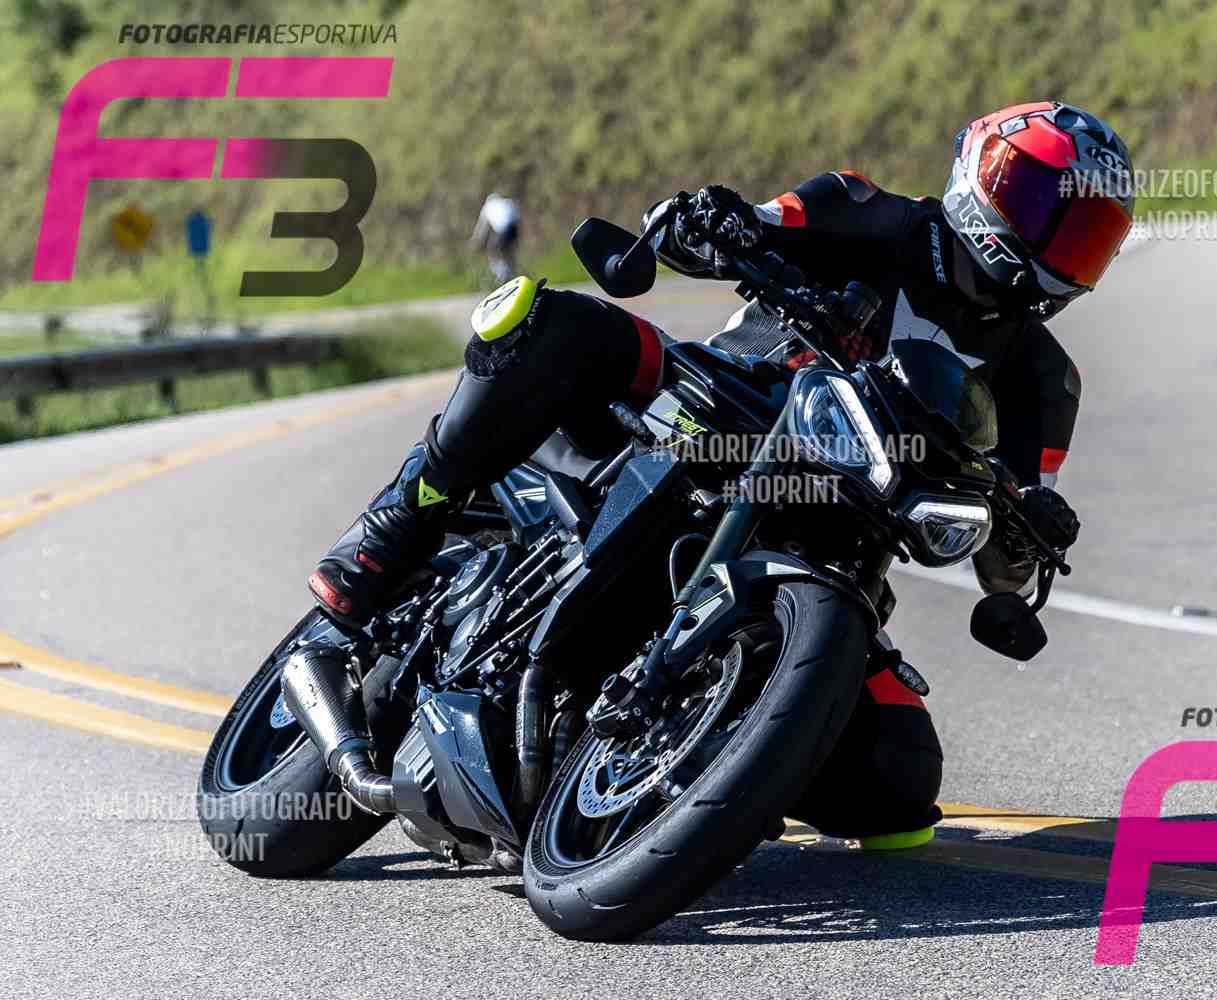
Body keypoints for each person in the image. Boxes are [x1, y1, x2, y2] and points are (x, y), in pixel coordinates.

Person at [307, 102, 1133, 846]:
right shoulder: (870, 213)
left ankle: (707, 771)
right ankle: (395, 527)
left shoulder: (1044, 382)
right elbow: (761, 225)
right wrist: (712, 220)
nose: (1055, 241)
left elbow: (1008, 545)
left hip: (840, 538)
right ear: (978, 176)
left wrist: (1032, 528)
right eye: (1041, 204)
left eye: (1084, 232)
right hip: (719, 410)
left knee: (898, 781)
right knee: (553, 325)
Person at [471, 193, 522, 283]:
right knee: (508, 253)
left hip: (504, 228)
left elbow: (482, 229)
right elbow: (518, 217)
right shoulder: (507, 202)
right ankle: (512, 273)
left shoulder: (487, 207)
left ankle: (503, 275)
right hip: (514, 229)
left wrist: (475, 241)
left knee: (492, 250)